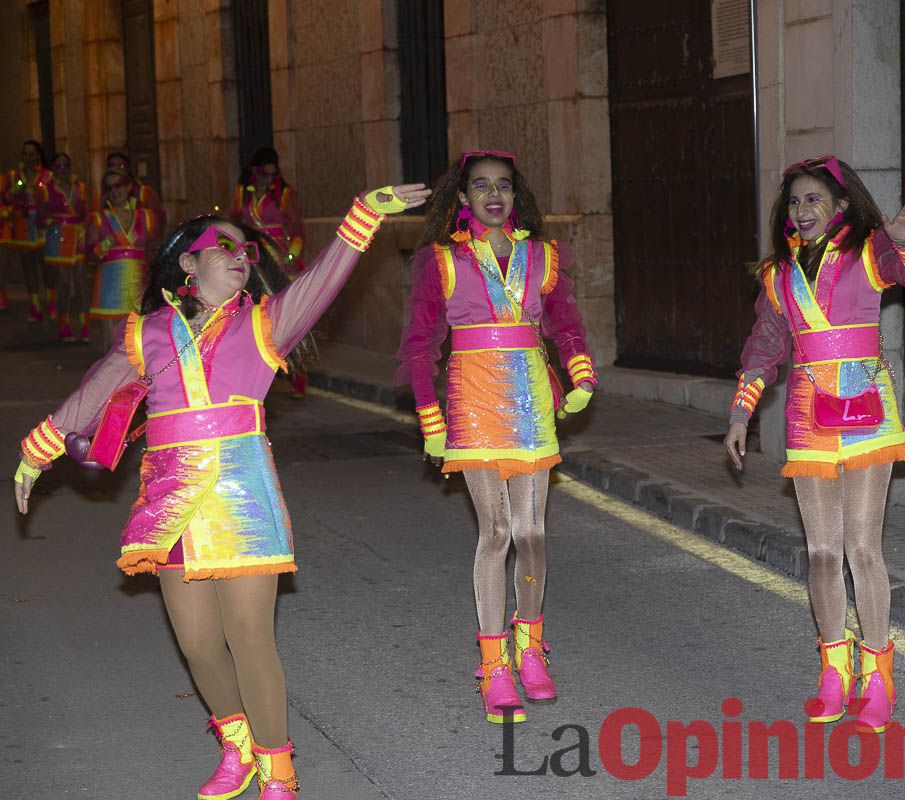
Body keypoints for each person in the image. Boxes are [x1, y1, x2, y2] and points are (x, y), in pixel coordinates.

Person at [14, 182, 430, 799]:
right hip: (170, 500)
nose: (242, 255)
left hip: (241, 493)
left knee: (250, 636)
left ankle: (279, 770)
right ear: (188, 263)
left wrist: (362, 216)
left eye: (247, 249)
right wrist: (35, 454)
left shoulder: (266, 324)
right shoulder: (147, 333)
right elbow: (94, 393)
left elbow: (322, 280)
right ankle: (237, 746)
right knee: (199, 643)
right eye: (224, 246)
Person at [723, 156, 905, 733]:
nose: (803, 210)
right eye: (794, 202)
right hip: (807, 418)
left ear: (840, 207)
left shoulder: (871, 253)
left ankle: (879, 677)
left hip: (867, 413)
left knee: (862, 550)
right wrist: (742, 410)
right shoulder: (776, 275)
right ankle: (834, 672)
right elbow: (765, 345)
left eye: (814, 199)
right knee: (820, 552)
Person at [397, 150, 597, 725]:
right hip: (472, 403)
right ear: (462, 199)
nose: (493, 195)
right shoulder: (442, 261)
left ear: (515, 196)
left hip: (532, 400)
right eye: (480, 186)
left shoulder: (542, 256)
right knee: (498, 531)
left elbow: (564, 323)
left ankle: (530, 647)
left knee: (533, 532)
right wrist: (431, 418)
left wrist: (580, 372)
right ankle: (493, 665)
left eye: (503, 186)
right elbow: (418, 347)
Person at [233, 147, 309, 396]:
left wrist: (290, 257)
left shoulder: (285, 195)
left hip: (278, 261)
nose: (268, 180)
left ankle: (297, 376)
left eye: (272, 175)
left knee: (288, 317)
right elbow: (230, 221)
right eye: (263, 174)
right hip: (250, 259)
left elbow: (298, 232)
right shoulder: (242, 195)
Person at [86, 168, 157, 350]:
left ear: (128, 187)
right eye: (109, 188)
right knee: (112, 347)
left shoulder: (146, 217)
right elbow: (89, 256)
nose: (114, 191)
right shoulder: (99, 219)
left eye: (118, 185)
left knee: (139, 344)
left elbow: (154, 251)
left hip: (138, 283)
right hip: (110, 283)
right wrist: (101, 248)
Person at [41, 153, 89, 341]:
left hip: (77, 236)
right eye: (58, 166)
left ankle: (84, 324)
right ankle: (64, 323)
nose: (62, 169)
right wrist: (51, 223)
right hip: (58, 236)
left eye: (65, 165)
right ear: (53, 168)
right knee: (63, 283)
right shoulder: (46, 190)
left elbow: (85, 213)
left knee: (81, 282)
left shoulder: (79, 188)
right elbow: (41, 216)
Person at [1, 140, 52, 320]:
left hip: (42, 226)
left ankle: (51, 302)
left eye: (32, 154)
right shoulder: (15, 175)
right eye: (25, 154)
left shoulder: (47, 176)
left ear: (38, 156)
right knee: (29, 267)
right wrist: (18, 186)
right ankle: (35, 305)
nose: (28, 157)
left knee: (46, 267)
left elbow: (53, 200)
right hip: (23, 225)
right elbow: (7, 198)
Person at [100, 151, 165, 229]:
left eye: (120, 165)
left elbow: (160, 221)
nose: (115, 168)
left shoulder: (144, 193)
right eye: (111, 165)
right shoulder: (102, 196)